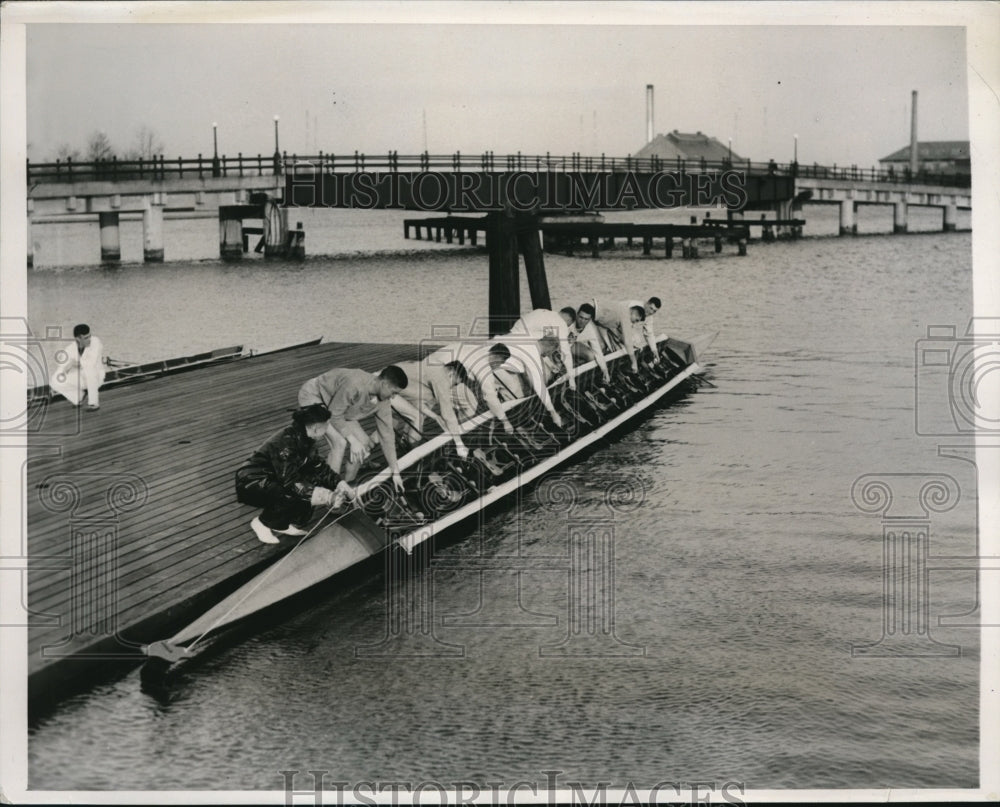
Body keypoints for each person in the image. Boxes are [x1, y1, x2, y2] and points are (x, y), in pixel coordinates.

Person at [234, 404, 355, 544]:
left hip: (275, 476)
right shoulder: (286, 443)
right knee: (292, 491)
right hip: (252, 481)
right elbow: (290, 482)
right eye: (326, 426)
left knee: (309, 483)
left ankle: (280, 524)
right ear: (316, 427)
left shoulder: (305, 438)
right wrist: (327, 496)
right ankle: (262, 523)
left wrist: (339, 483)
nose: (326, 430)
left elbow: (318, 467)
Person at [297, 365, 408, 490]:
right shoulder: (355, 383)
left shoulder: (383, 401)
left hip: (337, 407)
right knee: (339, 443)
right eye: (393, 392)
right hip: (314, 395)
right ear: (384, 384)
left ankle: (349, 485)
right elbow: (334, 415)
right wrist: (353, 440)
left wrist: (395, 472)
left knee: (364, 444)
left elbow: (387, 434)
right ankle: (330, 492)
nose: (393, 397)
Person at [389, 359, 476, 458]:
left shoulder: (434, 371)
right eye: (455, 383)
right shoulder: (441, 378)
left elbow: (416, 402)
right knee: (416, 417)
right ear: (451, 373)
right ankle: (415, 455)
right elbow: (448, 414)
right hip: (383, 386)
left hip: (389, 385)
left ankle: (369, 455)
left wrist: (435, 417)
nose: (452, 387)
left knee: (395, 422)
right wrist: (459, 444)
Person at [506, 308, 577, 390]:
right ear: (568, 320)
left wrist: (548, 362)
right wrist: (571, 379)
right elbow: (566, 352)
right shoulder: (561, 323)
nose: (566, 327)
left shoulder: (542, 312)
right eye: (568, 325)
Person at [49, 323, 106, 409]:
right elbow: (63, 368)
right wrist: (68, 366)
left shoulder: (96, 342)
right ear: (78, 339)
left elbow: (91, 363)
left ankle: (93, 403)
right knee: (55, 380)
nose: (89, 339)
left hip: (97, 376)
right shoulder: (69, 349)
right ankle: (78, 397)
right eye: (86, 338)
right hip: (82, 378)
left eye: (89, 336)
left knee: (90, 369)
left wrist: (75, 363)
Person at [589, 299, 649, 373]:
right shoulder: (625, 315)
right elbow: (627, 340)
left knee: (603, 346)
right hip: (590, 312)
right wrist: (634, 362)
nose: (634, 323)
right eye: (636, 320)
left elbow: (620, 335)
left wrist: (633, 345)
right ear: (635, 312)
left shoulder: (623, 310)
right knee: (599, 348)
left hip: (596, 318)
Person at [570, 303, 611, 383]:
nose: (582, 321)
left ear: (590, 320)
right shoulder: (570, 321)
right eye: (581, 317)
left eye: (586, 319)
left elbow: (598, 352)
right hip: (562, 344)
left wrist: (605, 371)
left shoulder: (590, 330)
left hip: (573, 345)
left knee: (591, 356)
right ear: (577, 315)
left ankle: (582, 378)